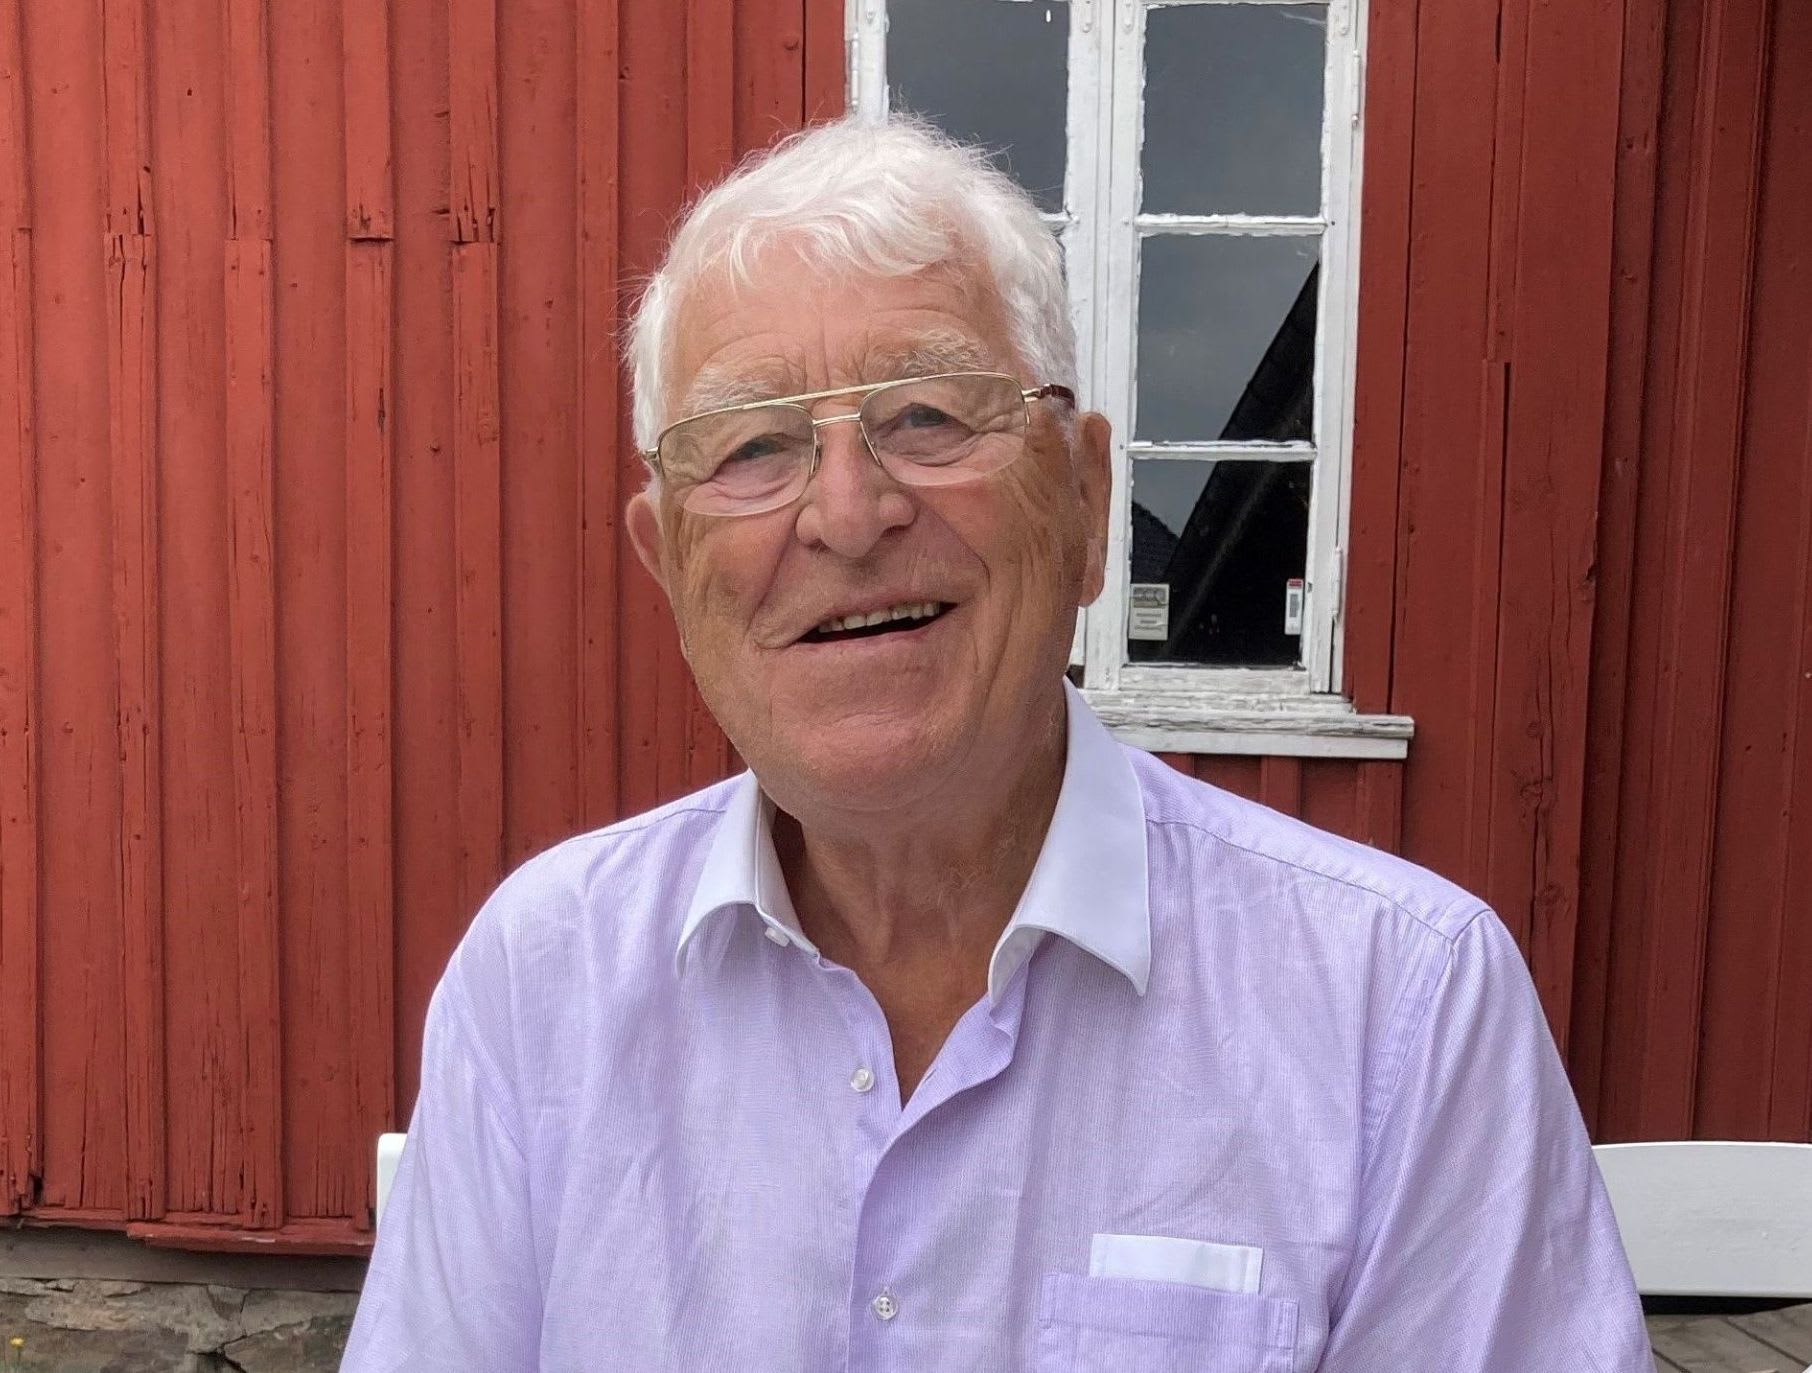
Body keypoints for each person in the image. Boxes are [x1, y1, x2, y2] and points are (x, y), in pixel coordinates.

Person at [339, 116, 1652, 1372]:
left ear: (1085, 502)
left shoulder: (1401, 1007)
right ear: (668, 565)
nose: (847, 513)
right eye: (753, 446)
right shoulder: (542, 979)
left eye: (928, 416)